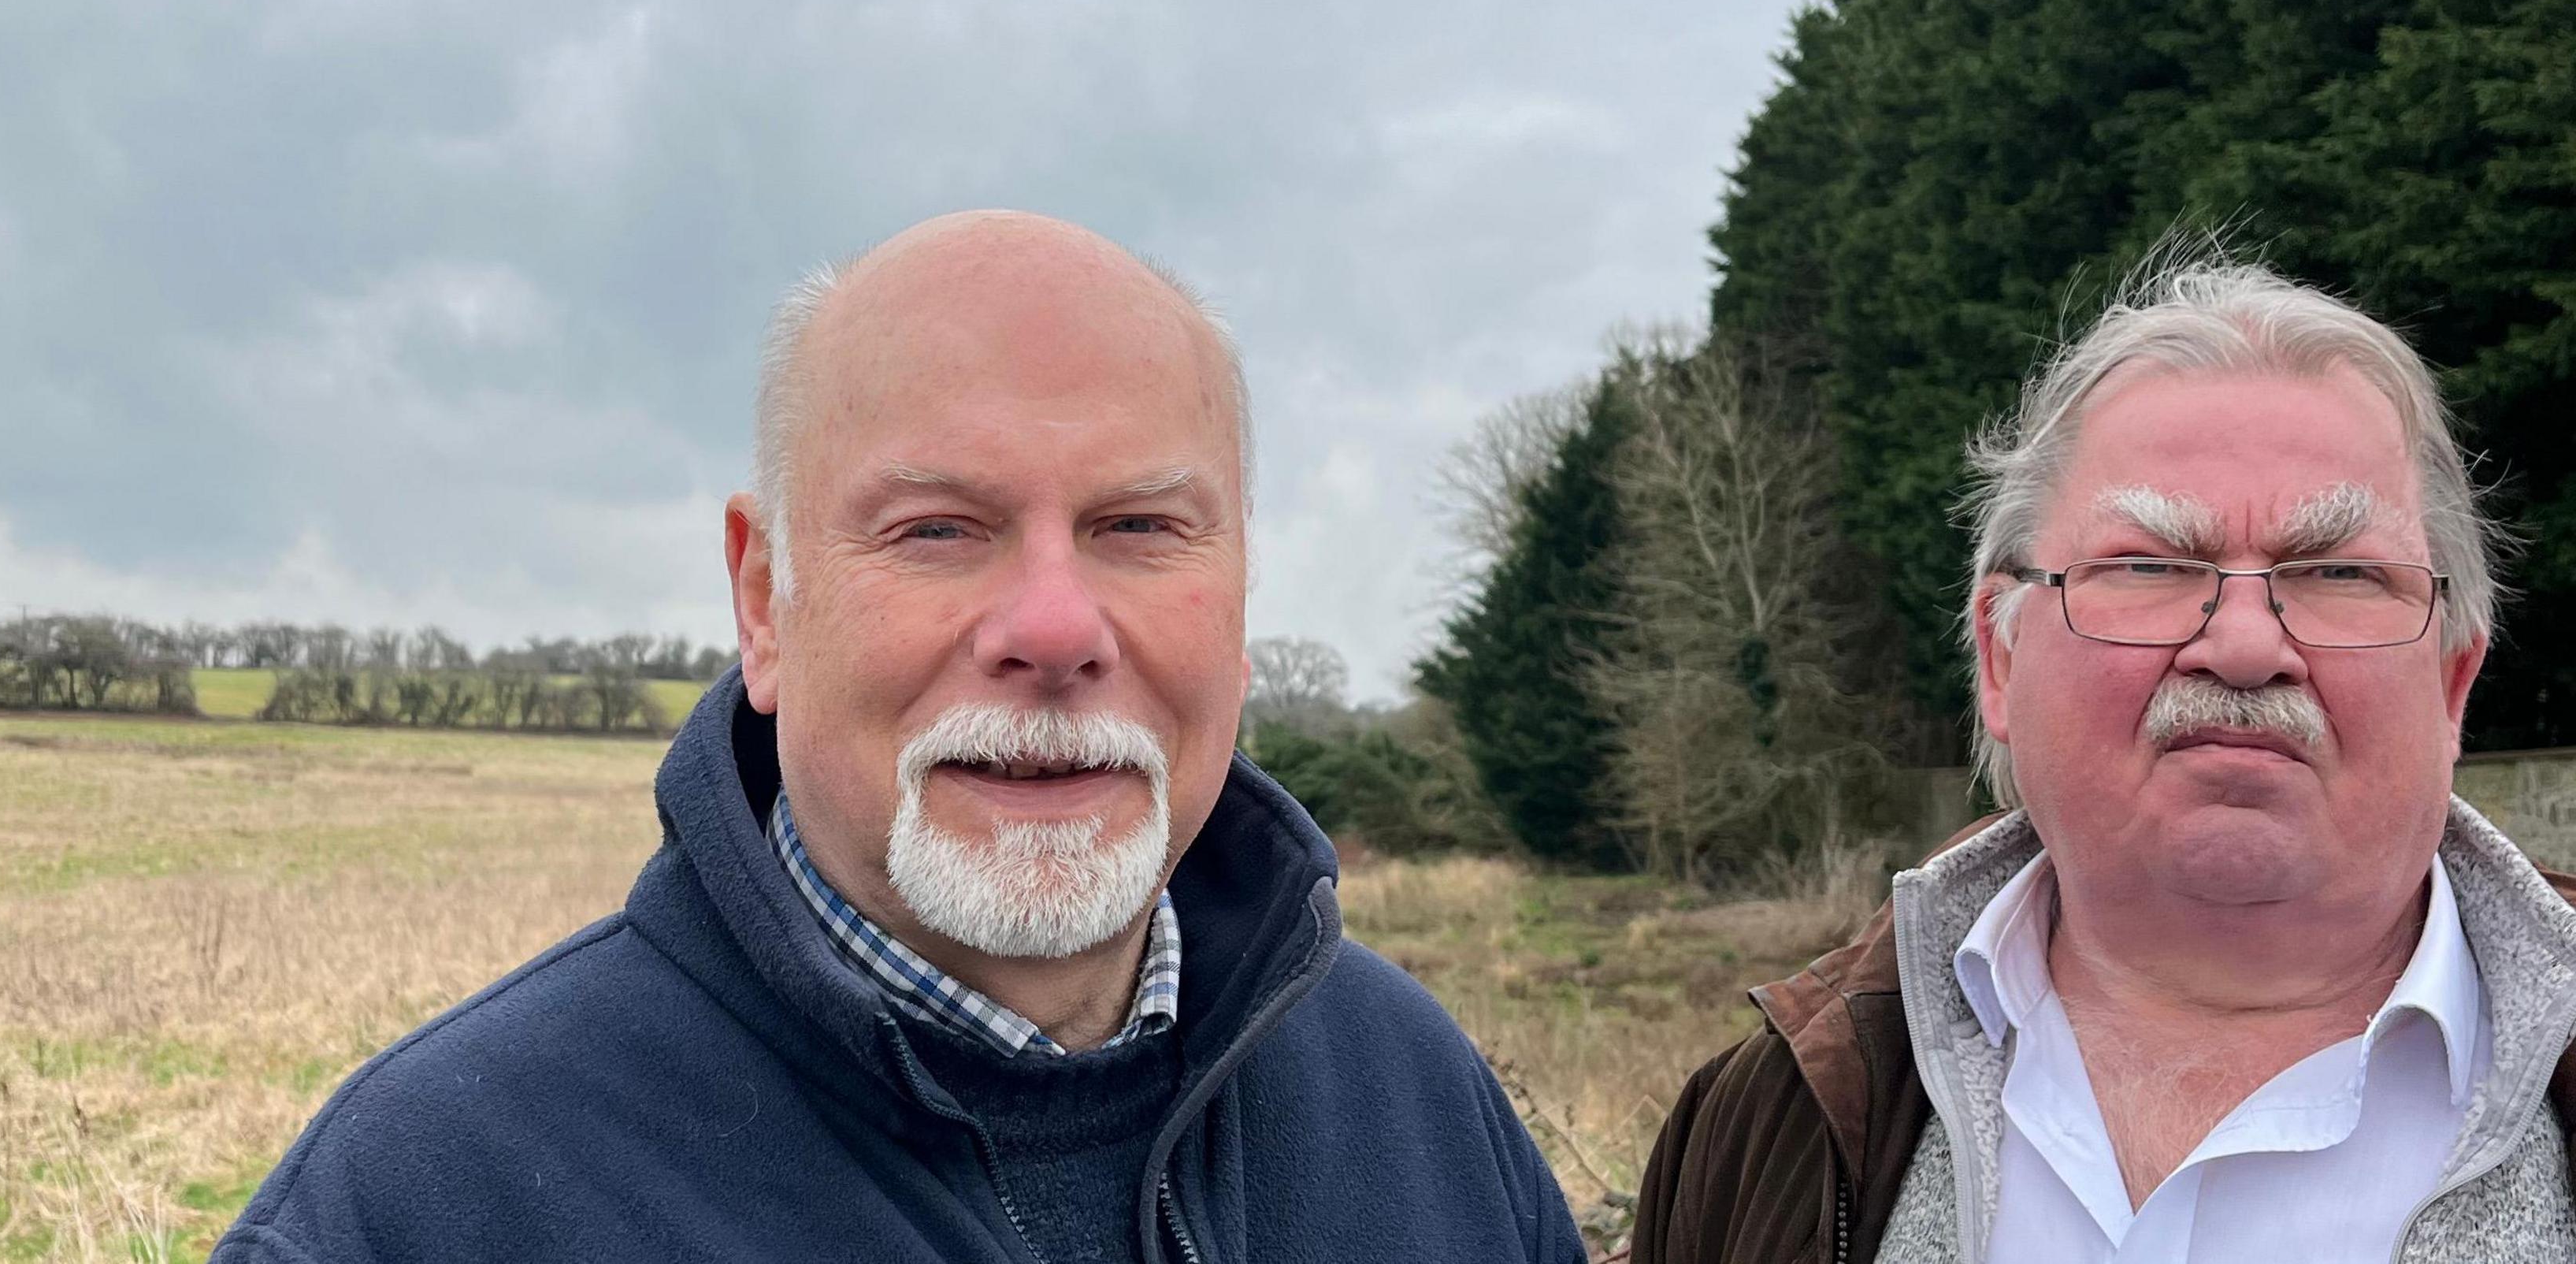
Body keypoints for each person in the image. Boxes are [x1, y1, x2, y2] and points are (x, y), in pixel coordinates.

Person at [214, 210, 1582, 1263]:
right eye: (937, 527)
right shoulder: (426, 1201)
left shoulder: (1415, 1096)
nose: (1055, 625)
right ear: (764, 601)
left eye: (1140, 527)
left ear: (1238, 598)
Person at [1626, 255, 2576, 1263]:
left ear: (2452, 681)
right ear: (2001, 654)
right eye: (2150, 565)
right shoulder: (1771, 1121)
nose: (2246, 646)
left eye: (2338, 571)